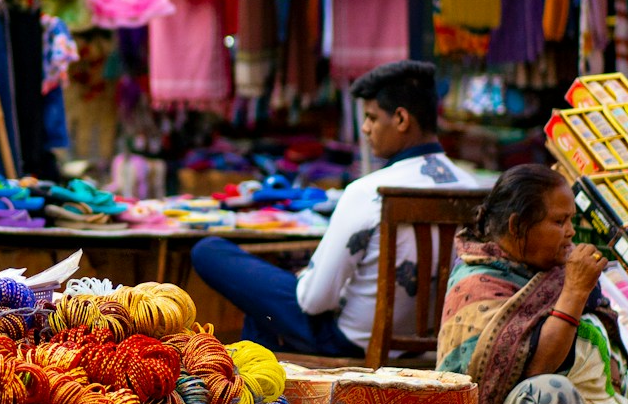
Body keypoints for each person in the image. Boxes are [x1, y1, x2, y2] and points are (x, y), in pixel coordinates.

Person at [191, 60, 477, 358]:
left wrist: (304, 278)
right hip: (428, 345)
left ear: (402, 119)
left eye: (371, 118)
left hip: (353, 342)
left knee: (209, 251)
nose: (365, 129)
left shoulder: (369, 191)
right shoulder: (473, 189)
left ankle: (256, 390)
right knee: (263, 314)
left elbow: (314, 301)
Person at [437, 164, 628, 404]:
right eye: (558, 222)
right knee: (549, 390)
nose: (571, 232)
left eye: (570, 220)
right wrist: (575, 291)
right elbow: (538, 368)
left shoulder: (550, 272)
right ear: (517, 226)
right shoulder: (477, 284)